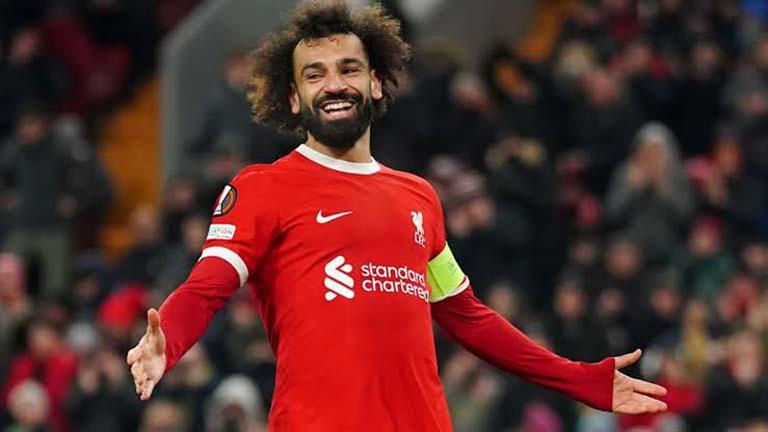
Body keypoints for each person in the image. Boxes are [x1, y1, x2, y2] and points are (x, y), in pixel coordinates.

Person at [127, 1, 667, 430]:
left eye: (349, 69)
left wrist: (578, 378)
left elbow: (468, 317)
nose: (333, 84)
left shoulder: (419, 197)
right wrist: (167, 339)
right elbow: (208, 286)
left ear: (376, 82)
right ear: (293, 98)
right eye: (314, 75)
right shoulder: (262, 188)